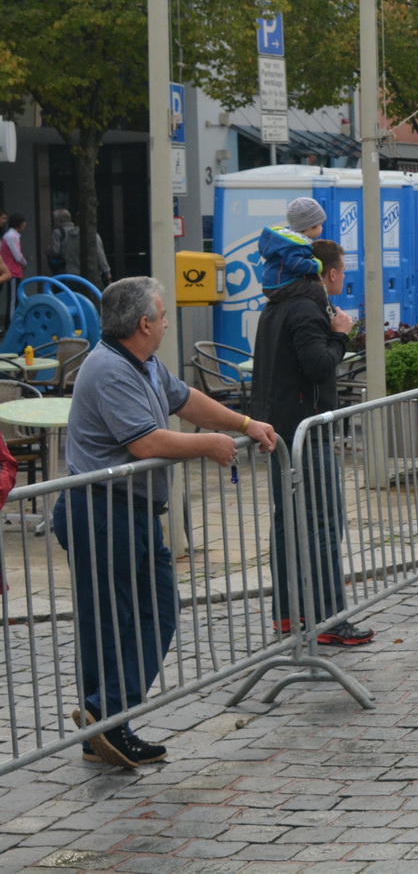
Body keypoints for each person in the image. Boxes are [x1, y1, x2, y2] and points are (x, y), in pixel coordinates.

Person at [51, 277, 278, 768]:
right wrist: (208, 445)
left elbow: (185, 398)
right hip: (100, 509)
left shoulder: (145, 363)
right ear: (143, 324)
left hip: (129, 510)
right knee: (112, 625)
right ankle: (107, 722)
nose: (168, 322)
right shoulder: (109, 368)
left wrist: (240, 424)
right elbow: (146, 443)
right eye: (163, 314)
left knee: (154, 612)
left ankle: (105, 719)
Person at [250, 239, 373, 646]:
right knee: (323, 524)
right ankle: (329, 619)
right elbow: (319, 365)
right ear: (330, 273)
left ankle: (290, 615)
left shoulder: (276, 304)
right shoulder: (307, 308)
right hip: (304, 435)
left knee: (288, 525)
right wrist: (340, 335)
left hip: (279, 433)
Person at [257, 197, 325, 293]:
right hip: (283, 284)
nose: (321, 228)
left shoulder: (287, 241)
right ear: (310, 227)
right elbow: (297, 264)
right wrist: (316, 265)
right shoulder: (294, 245)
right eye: (320, 225)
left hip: (271, 284)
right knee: (315, 289)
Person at [48, 209, 112, 286]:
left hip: (71, 275)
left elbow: (64, 254)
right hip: (89, 276)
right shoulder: (92, 236)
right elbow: (100, 255)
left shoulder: (69, 237)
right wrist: (107, 272)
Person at [0, 213, 25, 323]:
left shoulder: (10, 236)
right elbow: (17, 255)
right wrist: (24, 263)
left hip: (13, 270)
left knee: (14, 299)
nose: (25, 224)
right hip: (12, 270)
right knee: (13, 300)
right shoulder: (12, 236)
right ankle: (11, 324)